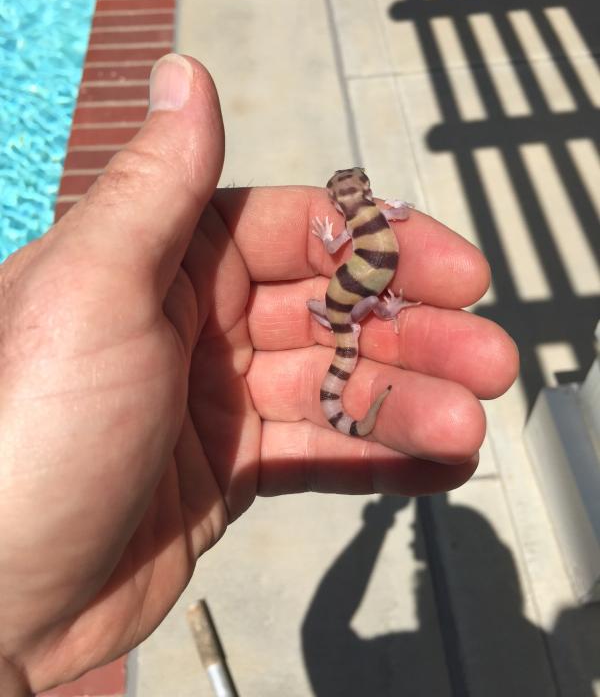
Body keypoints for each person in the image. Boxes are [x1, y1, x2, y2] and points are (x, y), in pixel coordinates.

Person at [0, 54, 518, 695]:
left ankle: (355, 390)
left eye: (345, 190)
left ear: (348, 200)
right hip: (350, 305)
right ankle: (356, 393)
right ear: (363, 199)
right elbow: (393, 219)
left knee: (348, 337)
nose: (348, 193)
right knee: (354, 340)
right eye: (349, 190)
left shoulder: (360, 227)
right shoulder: (381, 218)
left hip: (344, 305)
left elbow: (340, 249)